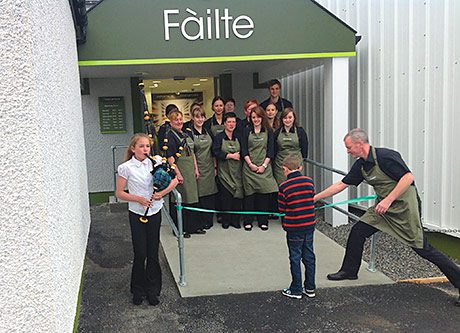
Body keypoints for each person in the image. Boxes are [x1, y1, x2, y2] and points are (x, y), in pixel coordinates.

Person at [315, 128, 460, 307]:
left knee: (423, 249)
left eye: (349, 148)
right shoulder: (361, 165)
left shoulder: (386, 157)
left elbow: (408, 178)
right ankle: (349, 271)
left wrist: (389, 200)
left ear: (360, 144)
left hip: (404, 208)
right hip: (383, 209)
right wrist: (314, 198)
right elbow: (341, 184)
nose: (348, 152)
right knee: (358, 232)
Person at [116, 133, 178, 306]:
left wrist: (161, 193)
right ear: (133, 148)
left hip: (154, 212)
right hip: (137, 213)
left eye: (147, 146)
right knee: (140, 253)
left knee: (152, 252)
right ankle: (137, 290)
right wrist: (138, 199)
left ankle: (153, 290)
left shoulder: (156, 161)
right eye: (142, 146)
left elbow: (175, 180)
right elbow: (119, 193)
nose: (145, 149)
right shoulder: (126, 168)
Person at [278, 155, 316, 299]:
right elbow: (311, 198)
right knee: (309, 256)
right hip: (309, 225)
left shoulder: (284, 187)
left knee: (295, 257)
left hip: (294, 227)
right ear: (300, 167)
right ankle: (310, 288)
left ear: (285, 169)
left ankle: (296, 289)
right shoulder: (309, 182)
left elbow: (282, 209)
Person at [166, 109, 204, 237]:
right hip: (181, 170)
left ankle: (194, 227)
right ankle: (181, 228)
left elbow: (191, 152)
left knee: (192, 198)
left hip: (190, 171)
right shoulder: (170, 136)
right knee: (181, 200)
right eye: (176, 120)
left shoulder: (185, 134)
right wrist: (177, 173)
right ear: (170, 122)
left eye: (180, 119)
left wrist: (195, 168)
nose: (179, 122)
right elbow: (170, 156)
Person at [241, 106, 278, 231]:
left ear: (262, 117)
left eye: (258, 117)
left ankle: (263, 221)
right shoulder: (246, 131)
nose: (256, 119)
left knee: (264, 196)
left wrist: (264, 166)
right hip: (249, 167)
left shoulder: (268, 131)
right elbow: (244, 149)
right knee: (249, 197)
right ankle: (248, 221)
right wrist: (250, 164)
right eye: (253, 117)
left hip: (264, 168)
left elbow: (271, 150)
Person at [212, 112, 244, 229]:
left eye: (233, 122)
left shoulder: (239, 136)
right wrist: (230, 156)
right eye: (229, 122)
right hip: (224, 172)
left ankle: (235, 221)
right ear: (224, 123)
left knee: (237, 197)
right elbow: (215, 151)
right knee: (226, 197)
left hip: (237, 171)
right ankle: (226, 220)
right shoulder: (219, 137)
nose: (231, 124)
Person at [190, 103, 218, 229]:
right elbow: (192, 153)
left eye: (202, 117)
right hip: (198, 168)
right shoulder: (190, 133)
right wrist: (195, 168)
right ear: (193, 118)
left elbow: (213, 151)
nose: (200, 119)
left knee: (210, 195)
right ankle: (200, 221)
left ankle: (209, 220)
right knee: (200, 196)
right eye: (197, 117)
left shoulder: (208, 131)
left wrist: (215, 166)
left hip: (210, 167)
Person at [273, 108, 309, 184]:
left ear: (294, 118)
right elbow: (274, 149)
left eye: (290, 117)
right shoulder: (277, 133)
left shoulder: (300, 132)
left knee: (297, 186)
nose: (287, 120)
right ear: (282, 119)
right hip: (280, 166)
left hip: (297, 165)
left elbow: (304, 148)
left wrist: (300, 160)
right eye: (285, 118)